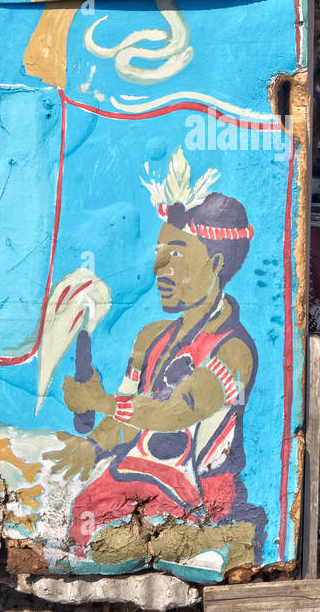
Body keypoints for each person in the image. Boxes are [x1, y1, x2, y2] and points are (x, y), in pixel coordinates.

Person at [46, 154, 267, 581]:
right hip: (136, 473)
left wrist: (101, 401)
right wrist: (92, 445)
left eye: (177, 254)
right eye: (159, 253)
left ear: (216, 264)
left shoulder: (235, 350)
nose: (159, 269)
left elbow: (174, 412)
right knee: (81, 506)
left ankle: (215, 542)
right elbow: (129, 418)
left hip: (198, 492)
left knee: (107, 529)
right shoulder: (152, 337)